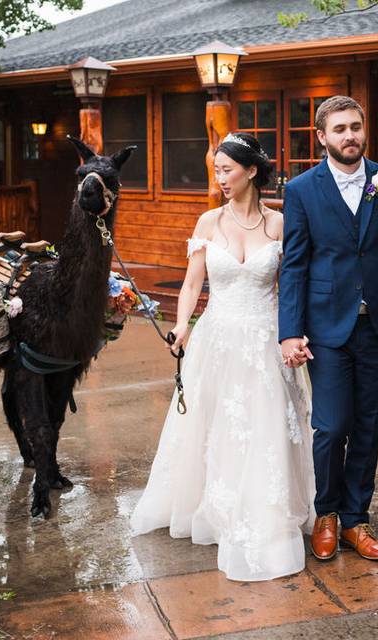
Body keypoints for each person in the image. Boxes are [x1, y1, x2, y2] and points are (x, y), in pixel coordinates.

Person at [130, 132, 315, 582]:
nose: (220, 179)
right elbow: (193, 283)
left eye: (227, 170)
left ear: (251, 171)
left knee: (265, 423)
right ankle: (213, 505)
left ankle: (265, 507)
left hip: (267, 339)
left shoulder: (279, 224)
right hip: (217, 338)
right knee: (216, 425)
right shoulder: (208, 222)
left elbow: (293, 286)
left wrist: (297, 333)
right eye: (216, 171)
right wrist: (181, 324)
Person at [278, 96, 378, 562]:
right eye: (340, 129)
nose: (350, 136)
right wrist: (290, 332)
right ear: (322, 137)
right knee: (330, 425)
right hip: (326, 328)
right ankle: (326, 514)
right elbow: (296, 265)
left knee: (369, 426)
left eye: (356, 127)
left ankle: (356, 521)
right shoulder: (303, 190)